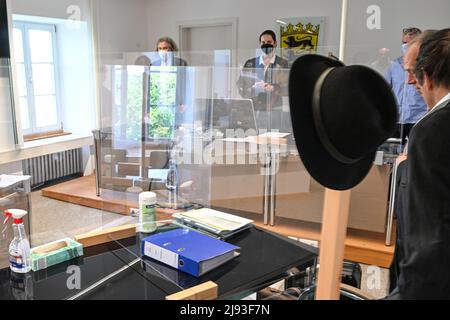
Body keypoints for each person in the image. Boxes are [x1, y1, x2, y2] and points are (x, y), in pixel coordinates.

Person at [388, 28, 450, 300]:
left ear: (427, 75)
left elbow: (428, 239)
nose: (410, 80)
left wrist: (404, 167)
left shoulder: (432, 129)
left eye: (414, 72)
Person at [236, 30, 289, 130]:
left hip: (274, 110)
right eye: (263, 42)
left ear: (275, 43)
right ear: (260, 43)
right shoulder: (251, 63)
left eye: (269, 42)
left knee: (273, 140)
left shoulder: (282, 63)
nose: (266, 45)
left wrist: (273, 88)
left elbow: (288, 87)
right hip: (254, 109)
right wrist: (252, 88)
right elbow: (240, 85)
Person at [385, 27, 427, 146]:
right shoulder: (394, 65)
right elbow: (385, 90)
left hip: (419, 118)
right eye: (404, 43)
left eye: (410, 43)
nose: (406, 46)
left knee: (416, 152)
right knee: (391, 154)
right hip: (398, 120)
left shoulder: (426, 66)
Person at [151, 37, 189, 129]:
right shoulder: (154, 64)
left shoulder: (181, 63)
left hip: (176, 103)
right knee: (160, 129)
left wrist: (185, 102)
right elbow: (151, 86)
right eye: (160, 48)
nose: (162, 51)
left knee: (176, 130)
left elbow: (186, 83)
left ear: (172, 49)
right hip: (159, 103)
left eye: (165, 48)